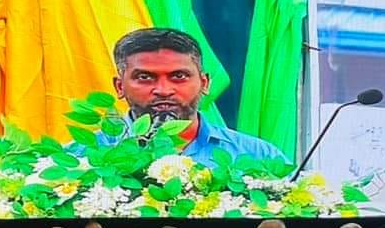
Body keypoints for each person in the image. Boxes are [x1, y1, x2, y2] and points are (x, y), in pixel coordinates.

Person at [110, 28, 288, 168]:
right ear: (120, 87)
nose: (163, 90)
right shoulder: (94, 154)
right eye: (145, 77)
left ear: (205, 83)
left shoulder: (259, 156)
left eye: (179, 76)